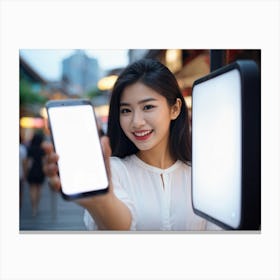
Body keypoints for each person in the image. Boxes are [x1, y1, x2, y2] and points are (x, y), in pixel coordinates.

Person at [43, 58, 221, 231]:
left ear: (174, 109)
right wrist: (99, 202)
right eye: (126, 110)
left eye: (148, 107)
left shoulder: (203, 174)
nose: (136, 122)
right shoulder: (114, 171)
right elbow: (122, 226)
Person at [26, 131, 46, 216]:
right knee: (38, 189)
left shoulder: (30, 149)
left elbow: (27, 162)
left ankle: (33, 207)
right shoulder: (42, 150)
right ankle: (36, 206)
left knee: (32, 189)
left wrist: (26, 172)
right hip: (40, 170)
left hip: (32, 170)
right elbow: (44, 161)